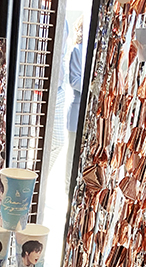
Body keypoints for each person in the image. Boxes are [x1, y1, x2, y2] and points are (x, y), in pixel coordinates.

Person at [66, 17, 84, 193]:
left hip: (85, 114)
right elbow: (74, 80)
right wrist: (92, 85)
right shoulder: (77, 50)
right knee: (71, 156)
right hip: (77, 109)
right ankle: (67, 191)